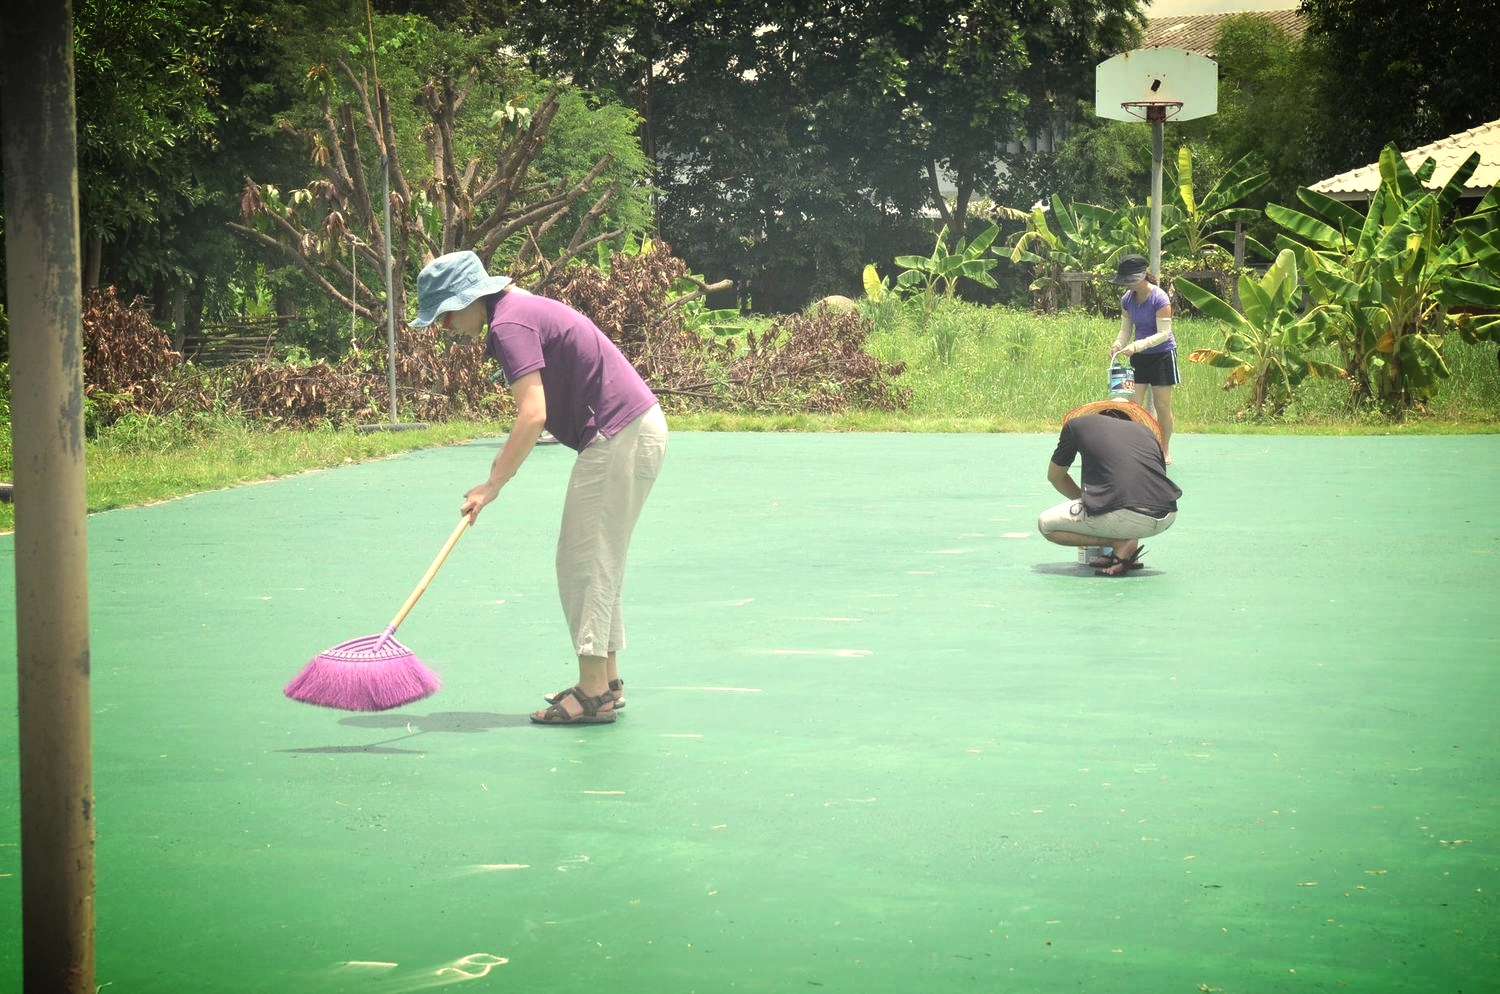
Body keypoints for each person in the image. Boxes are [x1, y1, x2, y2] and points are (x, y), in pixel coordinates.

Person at [411, 250, 668, 725]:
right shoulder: (516, 309)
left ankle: (592, 694)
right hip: (634, 428)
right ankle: (605, 683)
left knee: (584, 559)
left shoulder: (509, 325)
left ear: (473, 298)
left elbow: (533, 414)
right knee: (599, 556)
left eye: (446, 312)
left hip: (619, 434)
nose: (444, 327)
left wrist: (492, 484)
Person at [1038, 399, 1181, 576]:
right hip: (1166, 515)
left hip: (1128, 515)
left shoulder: (1076, 425)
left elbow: (1055, 477)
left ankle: (1120, 543)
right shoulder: (1146, 432)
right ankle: (1126, 547)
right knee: (1120, 505)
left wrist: (1084, 500)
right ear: (1129, 420)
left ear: (1099, 413)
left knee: (1046, 525)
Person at [1108, 254, 1179, 464]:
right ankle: (1135, 447)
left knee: (1162, 405)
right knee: (1133, 405)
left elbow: (1164, 334)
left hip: (1162, 356)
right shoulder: (1127, 300)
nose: (1127, 285)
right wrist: (1118, 344)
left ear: (1142, 277)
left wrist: (1138, 345)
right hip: (1139, 358)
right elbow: (1126, 329)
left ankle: (1164, 449)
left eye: (1130, 280)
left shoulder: (1160, 298)